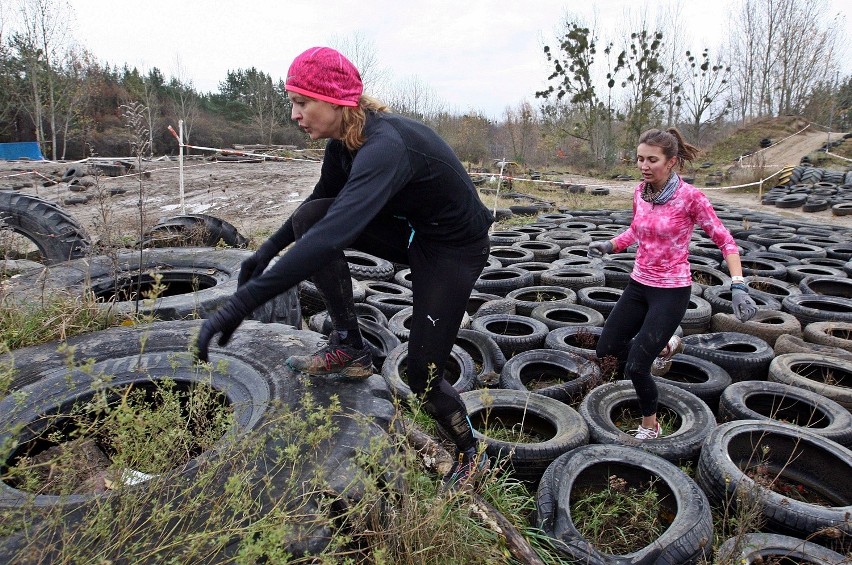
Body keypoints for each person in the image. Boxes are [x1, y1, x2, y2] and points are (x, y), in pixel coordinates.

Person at [194, 46, 493, 484]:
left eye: (301, 102)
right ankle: (351, 344)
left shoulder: (387, 145)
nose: (294, 114)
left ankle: (472, 450)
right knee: (310, 217)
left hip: (453, 249)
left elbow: (332, 235)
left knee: (420, 373)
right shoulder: (343, 144)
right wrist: (265, 250)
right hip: (413, 231)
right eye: (291, 102)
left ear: (335, 100)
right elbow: (318, 206)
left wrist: (238, 304)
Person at [588, 128, 757, 440]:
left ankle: (650, 426)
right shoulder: (640, 192)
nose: (644, 165)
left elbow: (726, 241)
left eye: (652, 159)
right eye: (640, 159)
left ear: (672, 162)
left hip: (671, 291)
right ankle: (665, 346)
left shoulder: (690, 198)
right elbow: (636, 232)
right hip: (639, 285)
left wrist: (738, 284)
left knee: (638, 366)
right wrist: (611, 245)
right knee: (607, 348)